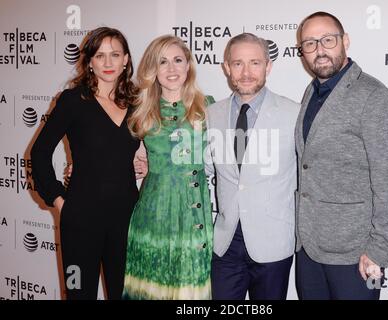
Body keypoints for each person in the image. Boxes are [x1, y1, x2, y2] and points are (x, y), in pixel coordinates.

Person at [294, 11, 388, 300]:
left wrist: (379, 250)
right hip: (308, 249)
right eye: (309, 43)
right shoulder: (313, 91)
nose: (319, 50)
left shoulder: (373, 96)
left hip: (356, 255)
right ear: (302, 52)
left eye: (327, 40)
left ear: (345, 41)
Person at [31, 27, 143, 299]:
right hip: (81, 222)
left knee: (124, 295)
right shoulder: (73, 100)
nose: (107, 63)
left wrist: (148, 163)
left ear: (126, 60)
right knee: (78, 293)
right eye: (100, 55)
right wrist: (58, 200)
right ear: (89, 61)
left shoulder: (138, 102)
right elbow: (40, 153)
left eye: (115, 55)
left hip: (127, 220)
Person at [206, 33, 299, 300]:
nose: (246, 72)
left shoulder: (294, 113)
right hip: (225, 243)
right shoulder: (213, 114)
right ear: (226, 67)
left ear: (268, 66)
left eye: (255, 63)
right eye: (238, 63)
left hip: (272, 243)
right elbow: (204, 165)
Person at [123, 35, 214, 300]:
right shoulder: (140, 110)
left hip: (193, 212)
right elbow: (109, 152)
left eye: (178, 60)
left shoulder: (208, 106)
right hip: (153, 213)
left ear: (189, 66)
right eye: (163, 62)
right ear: (153, 69)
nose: (172, 69)